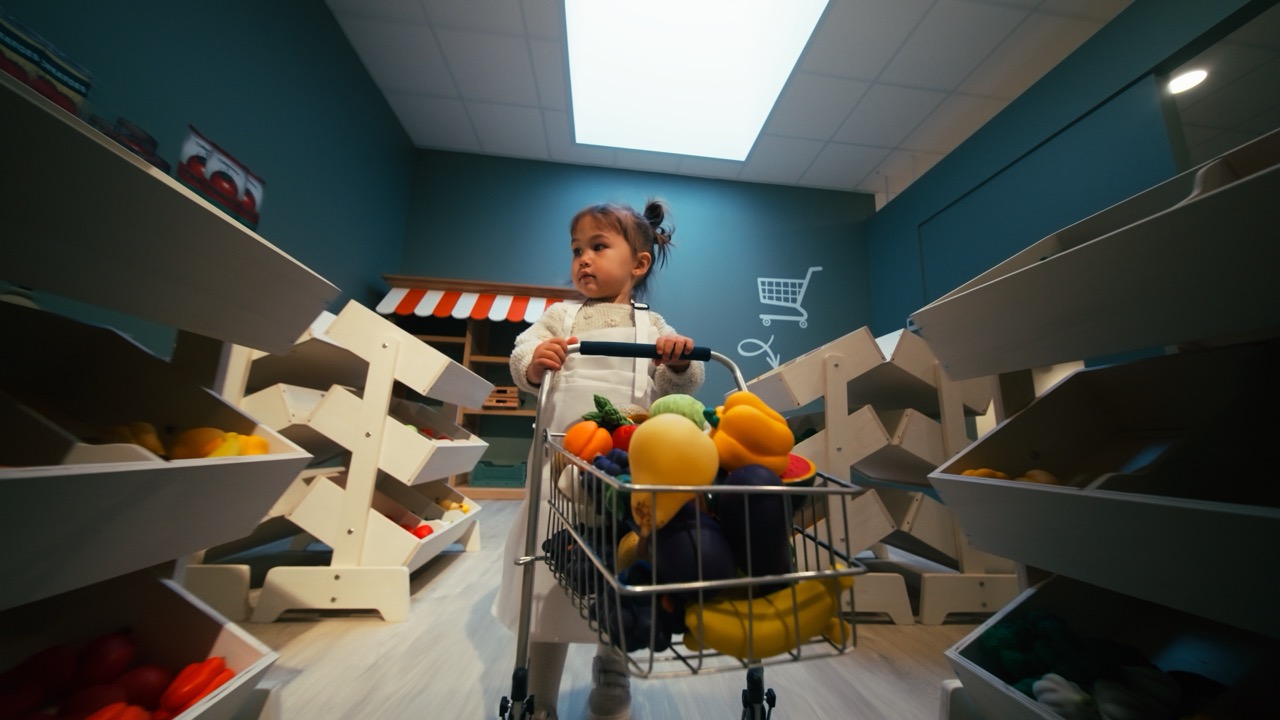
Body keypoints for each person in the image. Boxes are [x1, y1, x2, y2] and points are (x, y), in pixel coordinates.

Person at [493, 199, 705, 720]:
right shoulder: (561, 317)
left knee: (621, 573)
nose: (583, 259)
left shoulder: (652, 323)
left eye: (597, 247)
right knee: (547, 581)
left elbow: (681, 384)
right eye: (576, 250)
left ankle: (614, 670)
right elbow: (522, 354)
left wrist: (677, 362)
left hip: (622, 479)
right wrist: (534, 364)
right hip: (558, 473)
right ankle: (538, 695)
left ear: (638, 264)